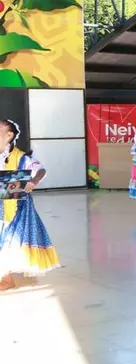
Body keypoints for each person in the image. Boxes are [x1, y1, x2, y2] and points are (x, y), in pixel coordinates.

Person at [0, 119, 60, 291]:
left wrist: (33, 181)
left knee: (9, 239)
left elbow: (40, 170)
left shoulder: (21, 157)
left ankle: (6, 278)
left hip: (16, 207)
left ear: (9, 136)